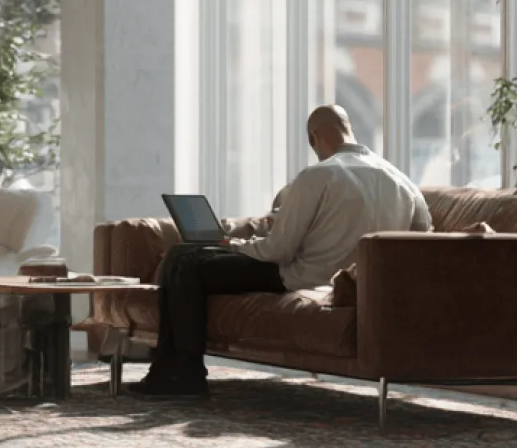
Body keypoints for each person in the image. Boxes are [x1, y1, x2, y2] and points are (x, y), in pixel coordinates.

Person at [128, 104, 430, 398]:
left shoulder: (318, 175)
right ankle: (172, 370)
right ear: (349, 130)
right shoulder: (403, 182)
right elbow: (420, 241)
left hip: (300, 276)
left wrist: (234, 245)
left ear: (315, 138)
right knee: (184, 257)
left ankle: (183, 373)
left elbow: (278, 250)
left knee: (184, 259)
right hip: (351, 280)